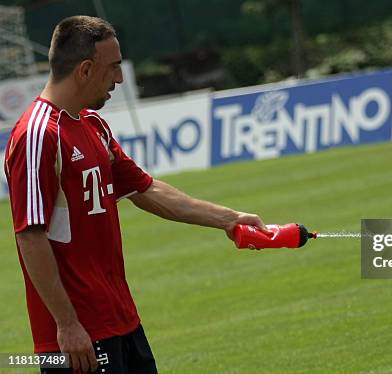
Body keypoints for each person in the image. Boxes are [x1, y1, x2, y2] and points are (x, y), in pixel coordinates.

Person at [4, 15, 270, 374]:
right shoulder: (38, 135)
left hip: (122, 322)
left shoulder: (93, 124)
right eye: (113, 67)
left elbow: (146, 189)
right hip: (77, 338)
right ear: (85, 70)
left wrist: (228, 218)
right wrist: (66, 324)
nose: (119, 79)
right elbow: (30, 235)